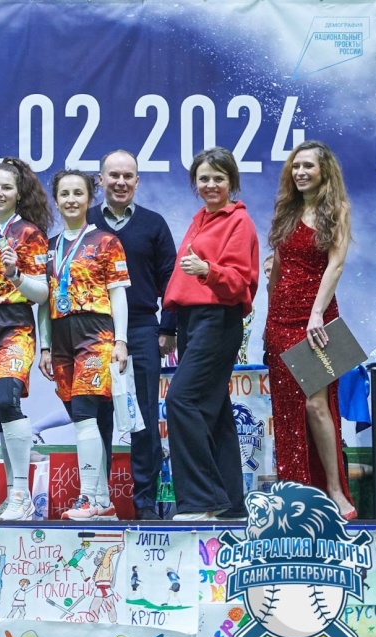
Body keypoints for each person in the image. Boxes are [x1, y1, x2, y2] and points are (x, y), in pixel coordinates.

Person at [163, 146, 259, 522]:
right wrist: (170, 324)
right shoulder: (200, 220)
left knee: (181, 401)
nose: (211, 185)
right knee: (215, 411)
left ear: (231, 181)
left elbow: (240, 281)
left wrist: (207, 269)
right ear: (195, 183)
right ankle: (231, 503)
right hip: (191, 319)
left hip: (218, 317)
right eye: (204, 178)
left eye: (219, 178)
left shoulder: (239, 222)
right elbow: (179, 280)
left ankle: (201, 500)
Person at [266, 141, 356, 520]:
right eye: (296, 166)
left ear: (324, 171)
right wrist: (268, 316)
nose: (300, 172)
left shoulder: (337, 209)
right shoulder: (286, 210)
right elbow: (278, 269)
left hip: (316, 319)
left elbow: (336, 265)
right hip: (280, 319)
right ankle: (295, 494)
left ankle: (334, 490)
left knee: (316, 405)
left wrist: (316, 313)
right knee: (286, 411)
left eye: (308, 166)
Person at [88, 150, 177, 521]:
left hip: (142, 329)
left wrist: (168, 327)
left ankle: (145, 504)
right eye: (114, 175)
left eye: (128, 176)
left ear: (137, 181)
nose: (121, 182)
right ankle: (97, 499)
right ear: (101, 180)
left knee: (143, 420)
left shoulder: (154, 224)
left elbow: (171, 278)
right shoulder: (87, 223)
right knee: (97, 419)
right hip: (92, 332)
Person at [37, 170, 129, 520]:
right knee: (80, 414)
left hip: (96, 334)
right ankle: (104, 501)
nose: (71, 199)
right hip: (61, 336)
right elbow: (43, 301)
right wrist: (45, 346)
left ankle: (88, 497)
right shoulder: (48, 247)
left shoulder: (106, 241)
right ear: (56, 200)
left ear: (90, 199)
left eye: (78, 193)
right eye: (65, 193)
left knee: (84, 414)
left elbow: (118, 295)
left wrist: (121, 340)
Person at [0, 158, 51, 521]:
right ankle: (14, 498)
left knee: (6, 400)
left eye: (6, 188)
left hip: (15, 325)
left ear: (19, 194)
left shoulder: (30, 234)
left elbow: (43, 293)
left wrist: (15, 275)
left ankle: (22, 495)